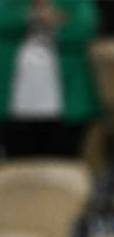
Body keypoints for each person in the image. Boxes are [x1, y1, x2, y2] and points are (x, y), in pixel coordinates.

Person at [0, 0, 99, 158]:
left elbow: (84, 29)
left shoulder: (77, 3)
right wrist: (33, 16)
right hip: (14, 105)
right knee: (19, 168)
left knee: (63, 167)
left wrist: (49, 21)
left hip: (66, 105)